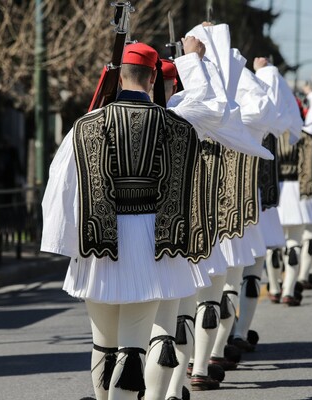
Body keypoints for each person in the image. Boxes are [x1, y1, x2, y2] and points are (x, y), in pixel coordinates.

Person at [41, 42, 214, 400]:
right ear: (154, 77)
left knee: (103, 344)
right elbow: (194, 189)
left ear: (119, 75)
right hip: (151, 244)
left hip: (97, 243)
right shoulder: (179, 128)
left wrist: (65, 242)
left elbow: (62, 187)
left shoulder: (85, 125)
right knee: (134, 346)